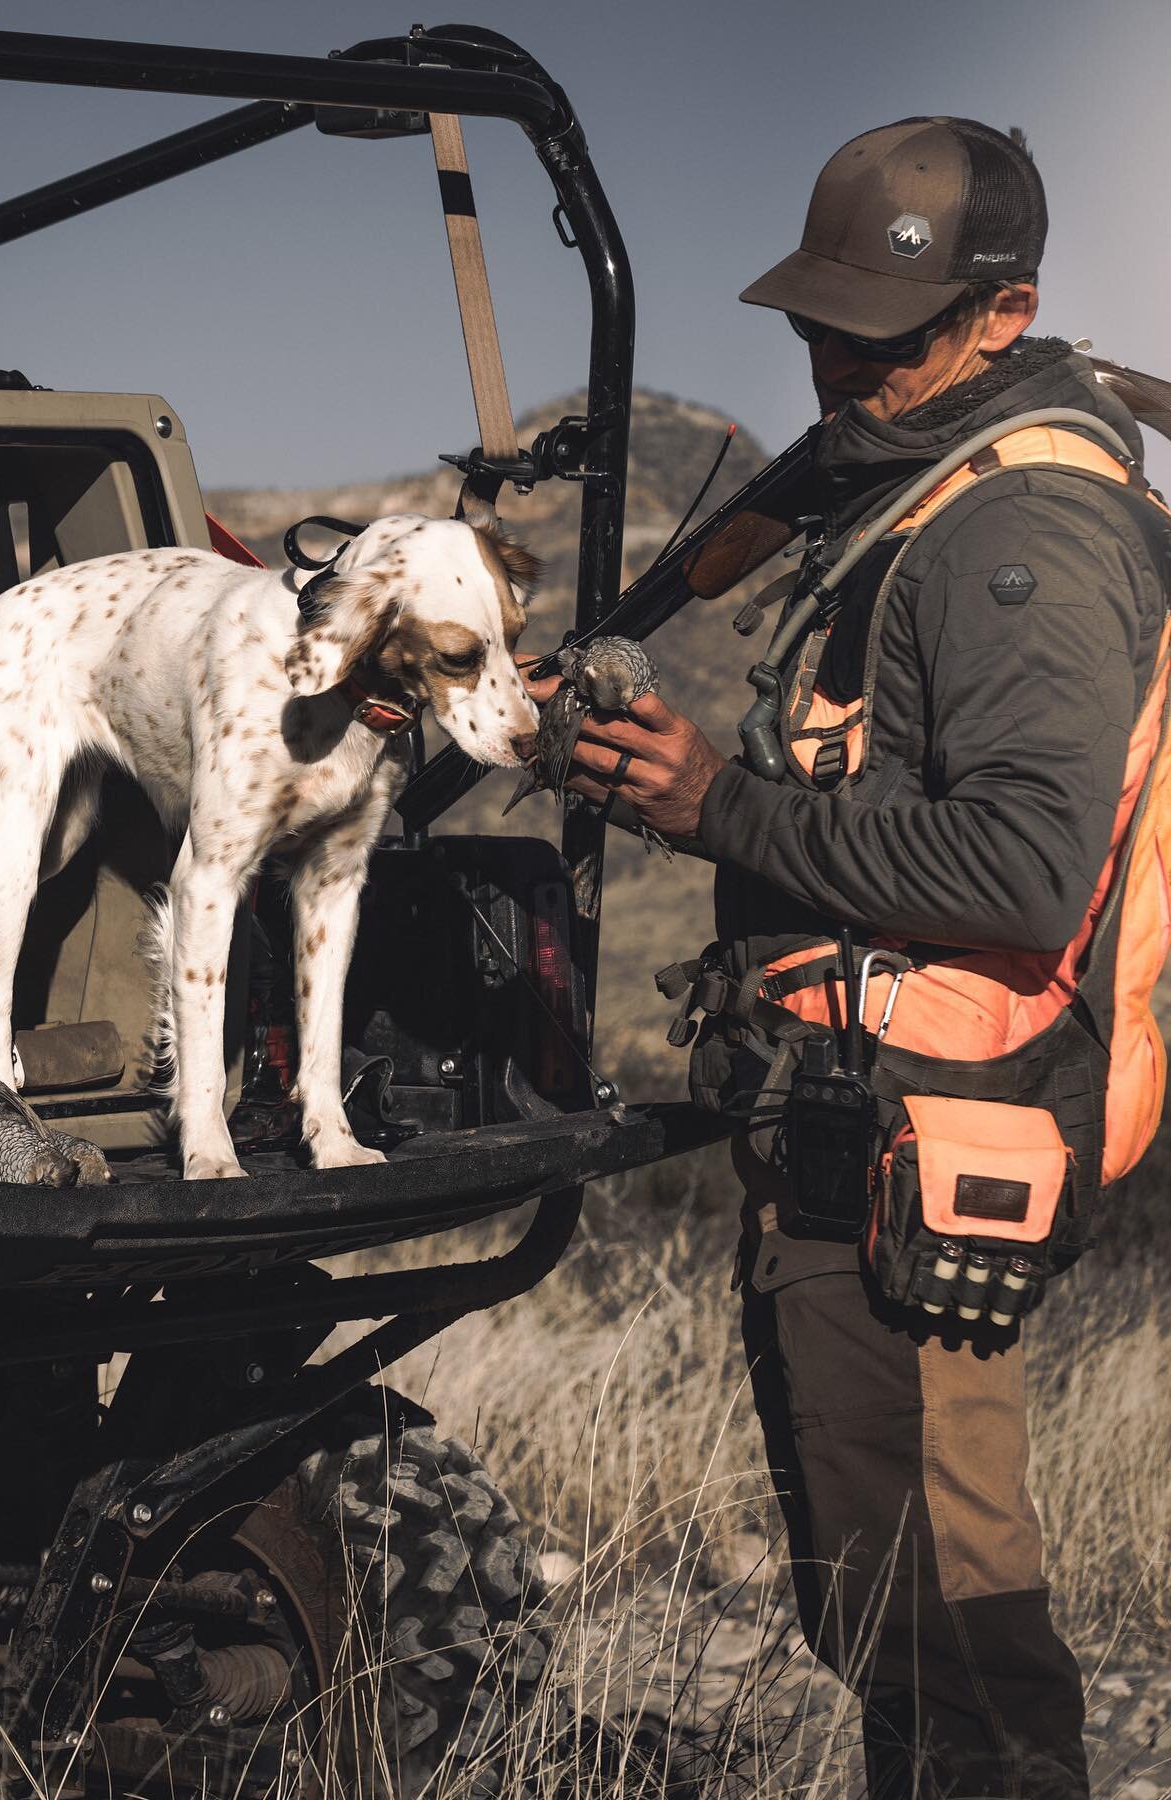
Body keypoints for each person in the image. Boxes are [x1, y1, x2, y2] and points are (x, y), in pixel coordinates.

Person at [525, 118, 1171, 1799]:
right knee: (878, 1615)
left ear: (1003, 311)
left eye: (875, 338)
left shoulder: (1025, 534)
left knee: (963, 1644)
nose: (834, 363)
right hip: (854, 1138)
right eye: (815, 324)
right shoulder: (919, 487)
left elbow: (1029, 876)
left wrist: (711, 806)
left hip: (934, 1147)